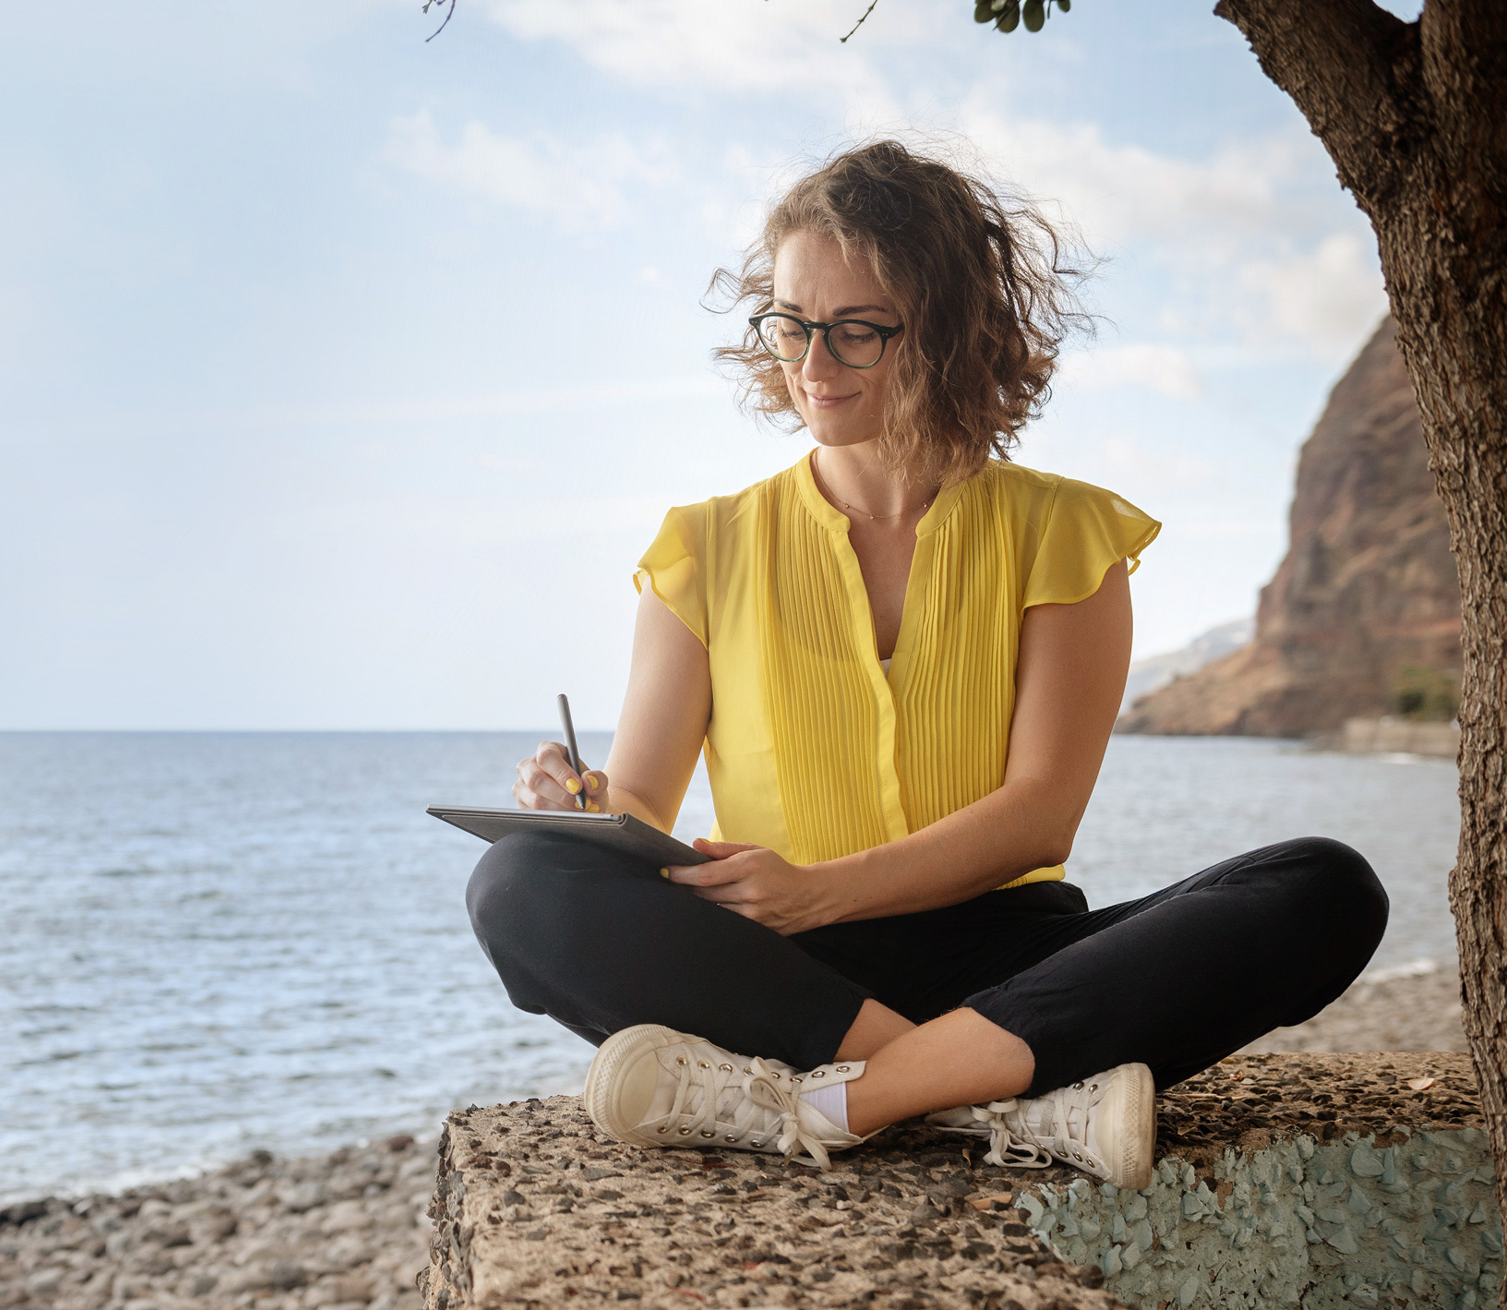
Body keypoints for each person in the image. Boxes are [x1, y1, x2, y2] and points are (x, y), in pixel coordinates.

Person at [463, 140, 1388, 1191]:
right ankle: (986, 1091)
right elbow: (640, 801)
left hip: (1008, 961)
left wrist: (817, 889)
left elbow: (1040, 814)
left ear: (950, 332)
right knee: (517, 881)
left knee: (1324, 887)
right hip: (783, 974)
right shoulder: (703, 547)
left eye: (856, 331)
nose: (812, 364)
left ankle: (834, 1098)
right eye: (791, 322)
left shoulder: (1068, 532)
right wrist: (581, 804)